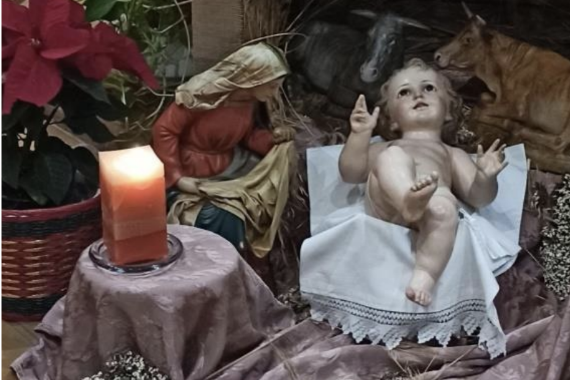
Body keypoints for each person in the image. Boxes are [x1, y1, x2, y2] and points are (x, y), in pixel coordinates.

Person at [338, 58, 507, 306]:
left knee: (445, 207)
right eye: (404, 92)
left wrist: (485, 177)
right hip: (389, 205)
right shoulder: (386, 146)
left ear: (447, 110)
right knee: (392, 158)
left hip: (429, 206)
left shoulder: (452, 154)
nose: (418, 95)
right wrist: (360, 135)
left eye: (429, 88)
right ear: (392, 119)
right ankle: (407, 199)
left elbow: (478, 198)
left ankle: (425, 274)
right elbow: (351, 173)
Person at [152, 43, 296, 256]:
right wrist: (178, 177)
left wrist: (273, 140)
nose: (275, 93)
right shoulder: (200, 96)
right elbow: (164, 130)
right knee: (221, 215)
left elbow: (246, 136)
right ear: (254, 78)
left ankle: (242, 257)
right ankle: (221, 260)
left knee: (260, 199)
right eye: (272, 86)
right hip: (193, 172)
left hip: (231, 167)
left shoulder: (250, 101)